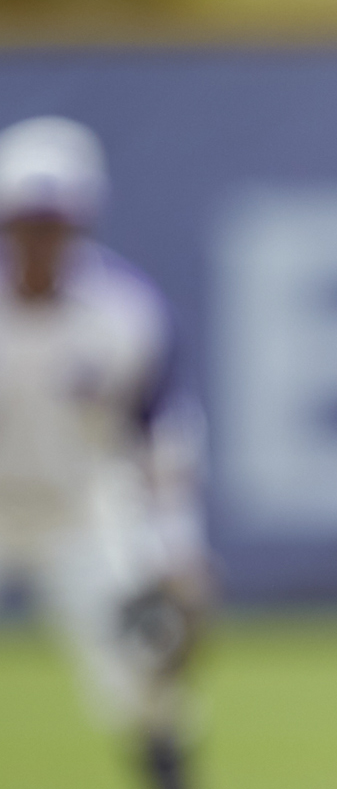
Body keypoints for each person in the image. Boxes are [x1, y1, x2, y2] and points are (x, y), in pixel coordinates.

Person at [0, 116, 208, 789]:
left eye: (53, 221)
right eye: (27, 220)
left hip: (82, 510)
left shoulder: (124, 314)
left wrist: (177, 552)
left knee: (150, 669)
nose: (39, 237)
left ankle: (166, 773)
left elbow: (162, 437)